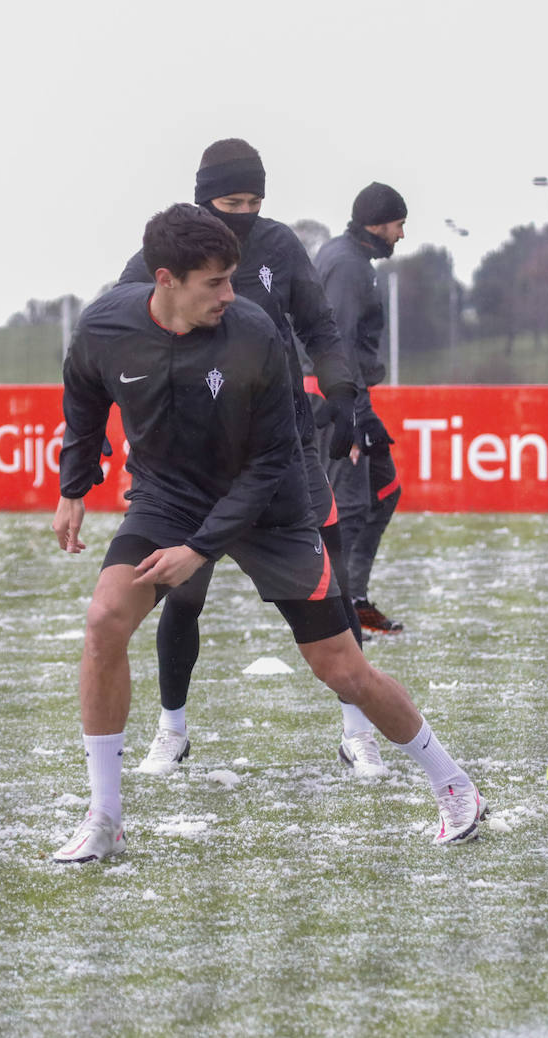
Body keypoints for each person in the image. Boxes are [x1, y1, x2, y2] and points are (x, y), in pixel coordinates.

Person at [50, 203, 487, 864]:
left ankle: (454, 786)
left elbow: (275, 460)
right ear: (165, 280)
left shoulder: (253, 333)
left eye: (233, 279)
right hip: (168, 496)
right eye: (215, 283)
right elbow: (83, 396)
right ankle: (105, 816)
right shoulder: (106, 325)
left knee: (341, 667)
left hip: (271, 504)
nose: (232, 294)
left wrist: (199, 549)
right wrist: (74, 485)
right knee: (105, 619)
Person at [116, 139, 388, 780]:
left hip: (284, 447)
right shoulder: (160, 257)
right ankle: (171, 731)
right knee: (183, 596)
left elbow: (320, 329)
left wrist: (344, 396)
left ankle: (358, 733)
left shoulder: (280, 246)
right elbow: (117, 336)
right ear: (202, 196)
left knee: (332, 587)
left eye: (253, 202)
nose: (242, 212)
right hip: (194, 461)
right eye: (229, 201)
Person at [312, 182, 408, 634]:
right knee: (347, 509)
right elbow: (339, 345)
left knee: (384, 492)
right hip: (337, 403)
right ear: (377, 223)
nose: (401, 234)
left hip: (348, 397)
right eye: (398, 224)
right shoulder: (348, 266)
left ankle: (356, 598)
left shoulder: (354, 260)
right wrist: (355, 415)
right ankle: (338, 616)